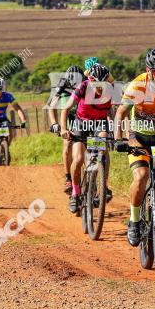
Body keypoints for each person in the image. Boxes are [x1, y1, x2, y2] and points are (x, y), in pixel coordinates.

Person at [113, 48, 155, 246]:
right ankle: (134, 220)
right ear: (148, 71)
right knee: (141, 176)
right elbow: (121, 113)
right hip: (138, 137)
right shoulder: (138, 85)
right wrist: (118, 139)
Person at [61, 63, 114, 215]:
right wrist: (64, 129)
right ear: (90, 81)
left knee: (103, 147)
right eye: (97, 84)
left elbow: (111, 111)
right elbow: (65, 109)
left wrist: (116, 131)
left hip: (99, 124)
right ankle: (76, 193)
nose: (100, 87)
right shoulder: (83, 87)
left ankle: (104, 185)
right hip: (81, 123)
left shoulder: (110, 91)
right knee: (77, 160)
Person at [48, 64, 86, 194]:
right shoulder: (62, 84)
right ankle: (68, 178)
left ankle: (91, 179)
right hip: (70, 115)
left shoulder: (86, 82)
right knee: (67, 144)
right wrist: (54, 123)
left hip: (84, 115)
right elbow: (51, 106)